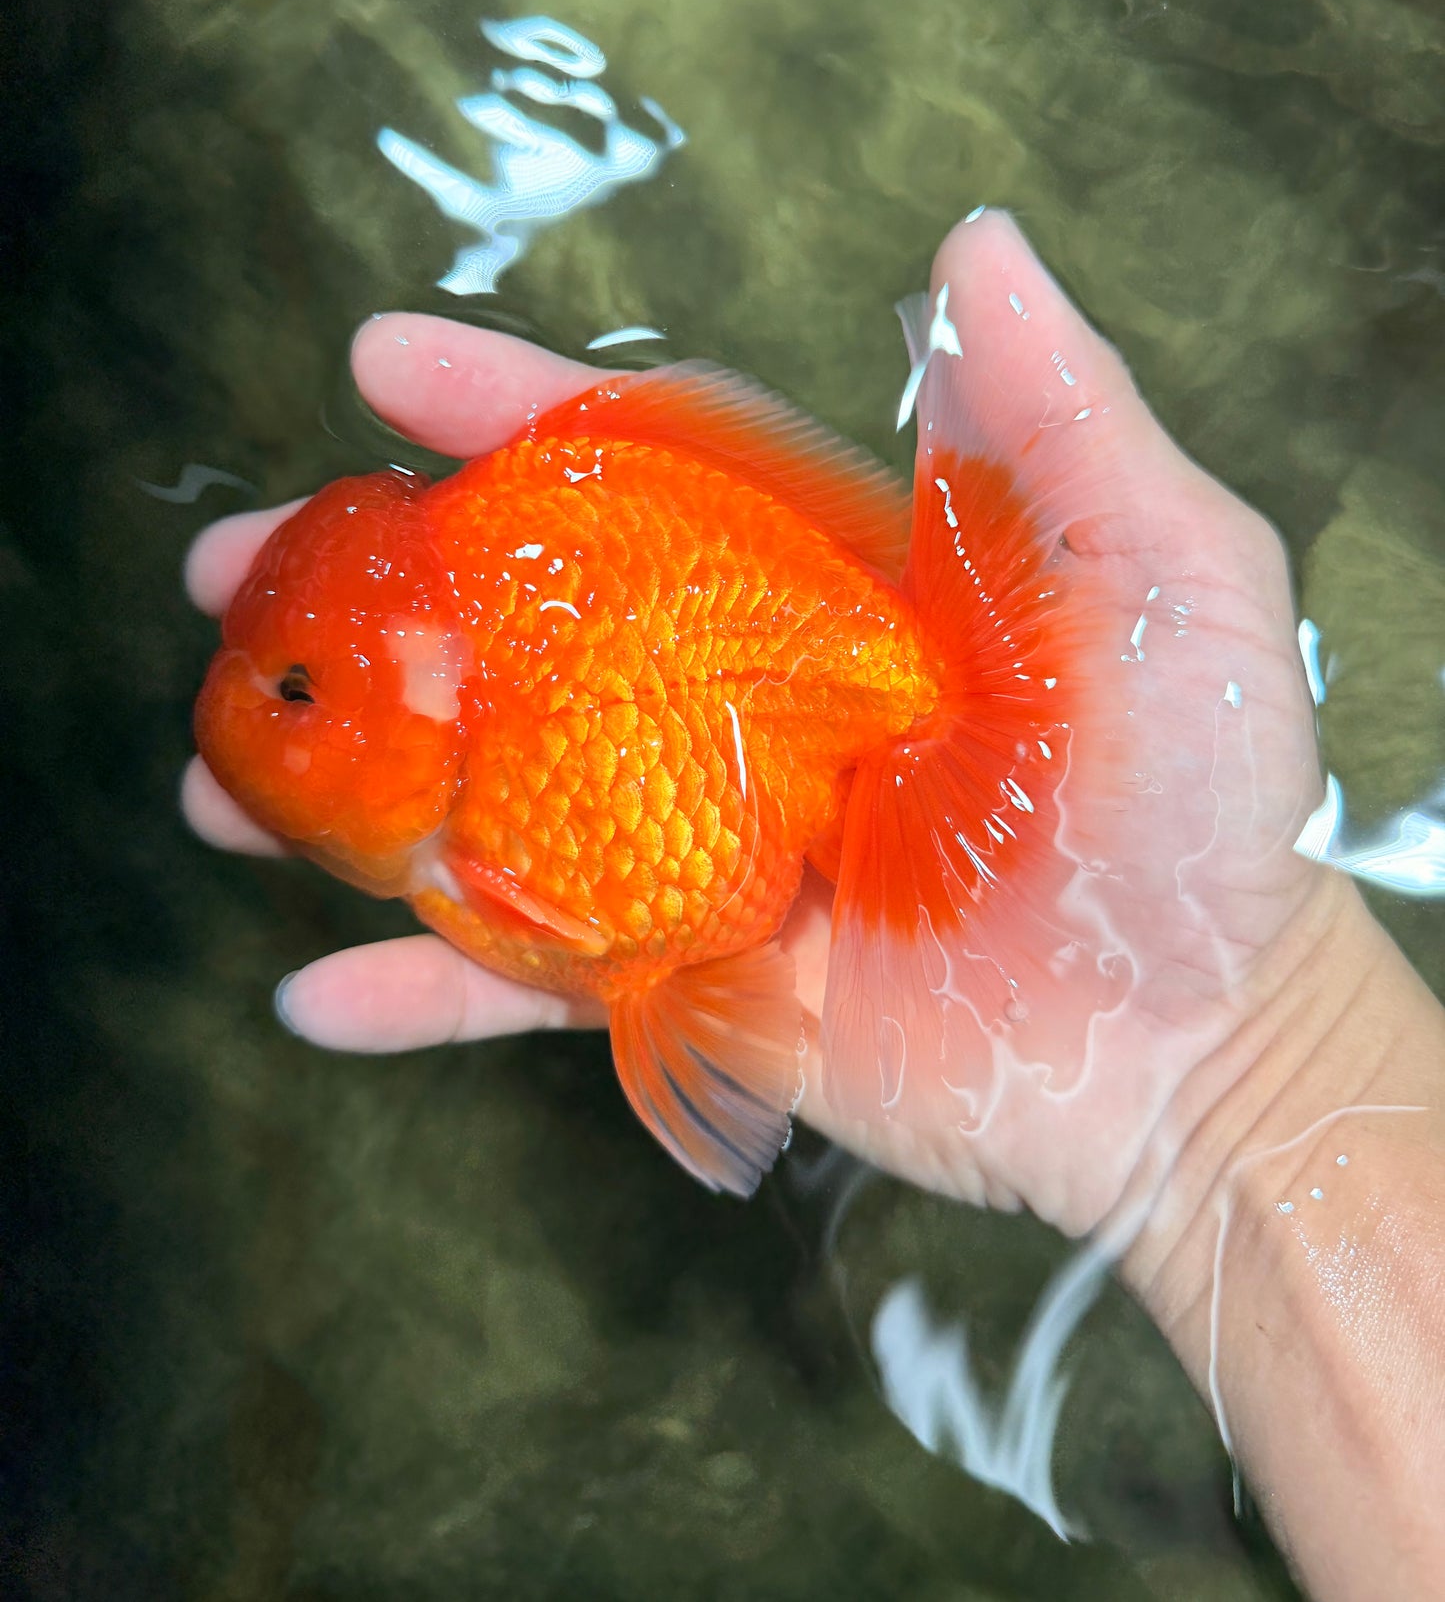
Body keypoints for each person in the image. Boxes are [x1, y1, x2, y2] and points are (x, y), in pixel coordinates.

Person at [182, 210, 1445, 1601]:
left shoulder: (488, 823)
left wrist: (1234, 1065)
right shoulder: (464, 697)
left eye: (296, 690)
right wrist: (1241, 1083)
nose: (254, 699)